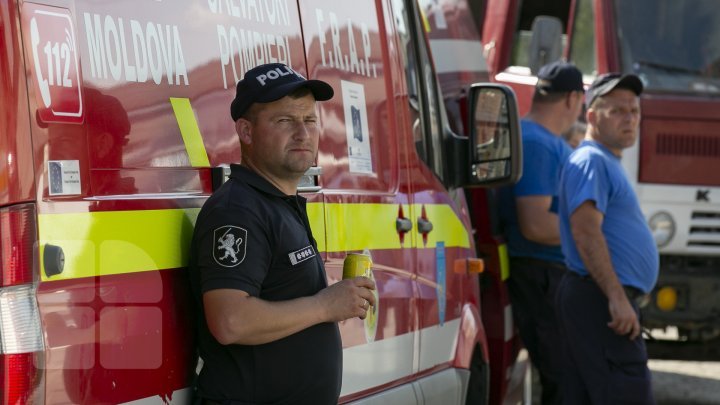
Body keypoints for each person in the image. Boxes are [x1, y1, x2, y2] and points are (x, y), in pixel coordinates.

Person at [188, 63, 377, 404]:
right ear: (246, 131)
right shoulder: (238, 210)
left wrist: (336, 300)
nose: (303, 133)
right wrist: (324, 306)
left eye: (309, 120)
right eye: (285, 121)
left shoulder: (278, 203)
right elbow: (230, 320)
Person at [556, 73, 658, 404]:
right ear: (591, 116)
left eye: (634, 111)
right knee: (626, 393)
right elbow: (585, 231)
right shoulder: (591, 161)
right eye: (617, 111)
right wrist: (616, 298)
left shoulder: (604, 161)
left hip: (600, 298)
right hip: (600, 299)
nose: (629, 119)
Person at [498, 61, 585, 405]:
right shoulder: (536, 143)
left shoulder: (543, 141)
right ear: (573, 99)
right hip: (542, 276)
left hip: (551, 277)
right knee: (565, 383)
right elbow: (535, 224)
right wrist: (595, 238)